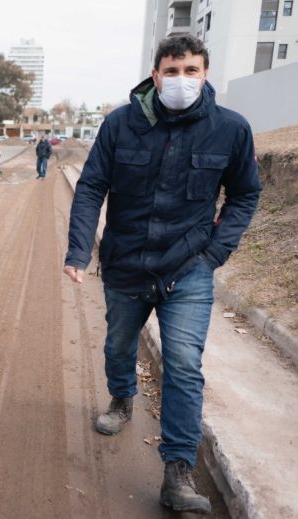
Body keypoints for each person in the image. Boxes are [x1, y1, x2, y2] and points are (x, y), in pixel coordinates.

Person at [63, 35, 261, 514]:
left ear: (205, 74)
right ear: (155, 76)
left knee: (184, 364)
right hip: (127, 262)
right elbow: (91, 187)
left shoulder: (231, 129)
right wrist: (78, 250)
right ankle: (121, 399)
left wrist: (215, 253)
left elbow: (244, 194)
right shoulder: (120, 124)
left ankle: (177, 471)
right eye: (171, 71)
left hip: (188, 267)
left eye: (191, 71)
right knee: (118, 345)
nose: (181, 80)